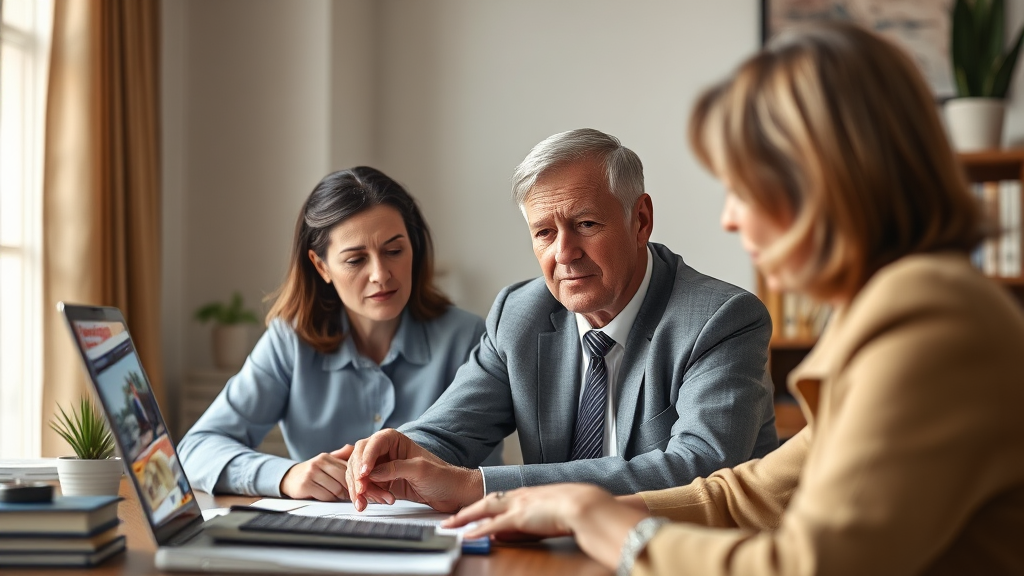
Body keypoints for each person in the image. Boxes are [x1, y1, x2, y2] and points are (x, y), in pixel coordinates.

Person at [442, 22, 1024, 576]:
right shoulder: (900, 310)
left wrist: (609, 526)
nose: (728, 219)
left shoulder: (931, 326)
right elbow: (753, 492)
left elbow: (807, 565)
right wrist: (571, 507)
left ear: (827, 181)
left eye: (744, 188)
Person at [344, 128, 779, 513]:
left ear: (640, 219)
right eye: (545, 233)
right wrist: (398, 453)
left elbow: (699, 471)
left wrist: (480, 487)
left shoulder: (721, 319)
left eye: (586, 224)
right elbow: (450, 432)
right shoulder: (519, 314)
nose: (564, 254)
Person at [178, 167, 498, 500]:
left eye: (394, 251)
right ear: (321, 266)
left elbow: (481, 479)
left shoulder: (469, 338)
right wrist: (286, 475)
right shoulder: (290, 342)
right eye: (356, 259)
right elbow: (195, 449)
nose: (380, 274)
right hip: (319, 539)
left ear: (414, 248)